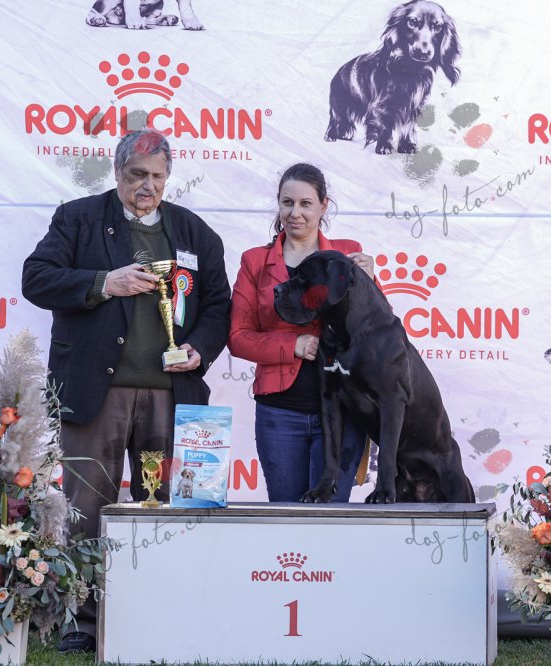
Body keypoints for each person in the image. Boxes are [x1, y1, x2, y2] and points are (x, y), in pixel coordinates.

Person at [22, 129, 230, 652]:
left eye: (158, 176)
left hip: (173, 395)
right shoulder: (77, 218)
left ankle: (166, 612)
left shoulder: (195, 232)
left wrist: (201, 348)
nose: (148, 186)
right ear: (117, 173)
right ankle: (83, 621)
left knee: (171, 508)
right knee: (87, 508)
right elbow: (36, 278)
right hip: (97, 392)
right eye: (137, 175)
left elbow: (219, 307)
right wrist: (102, 283)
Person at [228, 163, 373, 503]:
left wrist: (368, 285)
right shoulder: (254, 261)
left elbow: (375, 331)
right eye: (287, 203)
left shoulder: (347, 254)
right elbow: (237, 337)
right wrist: (292, 345)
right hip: (279, 411)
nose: (295, 213)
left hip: (343, 409)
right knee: (285, 518)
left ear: (324, 206)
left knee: (331, 518)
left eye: (306, 203)